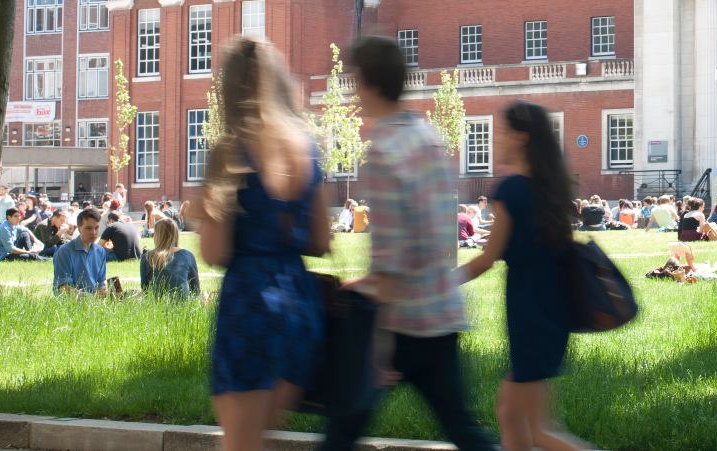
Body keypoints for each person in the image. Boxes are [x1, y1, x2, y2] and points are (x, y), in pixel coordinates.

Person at [319, 37, 495, 451]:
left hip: (401, 321)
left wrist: (379, 345)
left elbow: (392, 258)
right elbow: (431, 233)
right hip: (441, 309)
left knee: (343, 429)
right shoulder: (426, 135)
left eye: (354, 80)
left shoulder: (384, 152)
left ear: (368, 84)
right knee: (463, 428)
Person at [195, 37, 333, 451]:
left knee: (240, 444)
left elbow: (215, 252)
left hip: (249, 304)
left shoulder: (229, 152)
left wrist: (202, 214)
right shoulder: (304, 148)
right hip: (299, 304)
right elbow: (321, 240)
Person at [455, 101, 589, 451]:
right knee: (512, 414)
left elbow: (487, 258)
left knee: (538, 429)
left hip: (530, 310)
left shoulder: (512, 189)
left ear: (520, 137)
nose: (497, 139)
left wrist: (440, 284)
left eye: (502, 132)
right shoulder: (551, 188)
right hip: (552, 308)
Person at [53, 209, 109, 294]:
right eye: (88, 228)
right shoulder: (64, 251)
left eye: (96, 228)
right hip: (73, 301)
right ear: (79, 228)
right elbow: (63, 288)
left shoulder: (100, 251)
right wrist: (92, 298)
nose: (93, 232)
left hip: (94, 300)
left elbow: (101, 283)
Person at [141, 218, 200, 298]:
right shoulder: (187, 255)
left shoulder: (147, 257)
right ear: (176, 234)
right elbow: (196, 290)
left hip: (156, 303)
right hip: (183, 303)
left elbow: (145, 289)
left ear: (157, 236)